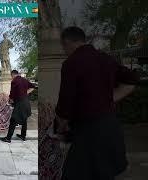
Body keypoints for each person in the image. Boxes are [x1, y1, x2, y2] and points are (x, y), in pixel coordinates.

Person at [55, 27, 139, 180]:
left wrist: (61, 127)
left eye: (63, 47)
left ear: (67, 42)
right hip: (111, 127)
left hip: (88, 133)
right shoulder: (106, 58)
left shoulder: (71, 63)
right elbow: (131, 81)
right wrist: (108, 98)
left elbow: (65, 105)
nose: (64, 50)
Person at [0, 70, 35, 143]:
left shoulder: (14, 81)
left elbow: (12, 95)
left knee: (13, 120)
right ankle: (23, 136)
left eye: (11, 76)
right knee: (24, 119)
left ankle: (8, 138)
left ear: (12, 75)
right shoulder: (25, 80)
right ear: (18, 74)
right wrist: (25, 93)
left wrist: (10, 101)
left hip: (20, 104)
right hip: (26, 102)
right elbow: (33, 87)